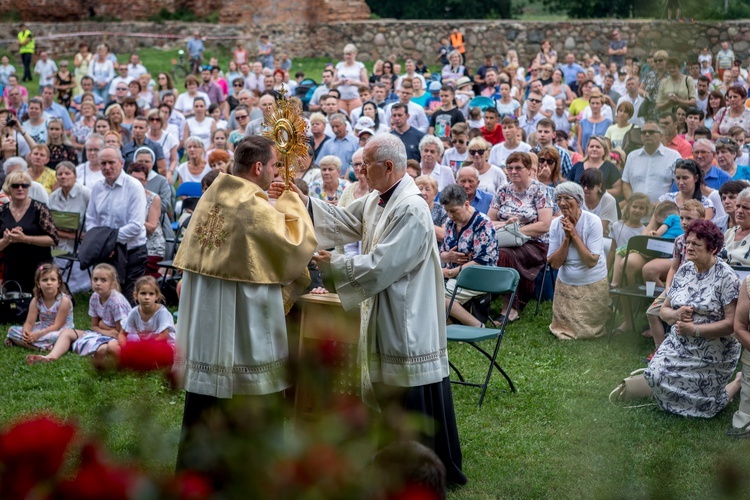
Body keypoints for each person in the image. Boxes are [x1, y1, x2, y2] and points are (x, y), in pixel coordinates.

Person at [271, 132, 466, 485]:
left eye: (366, 166)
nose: (360, 172)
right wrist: (304, 202)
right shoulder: (380, 197)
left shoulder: (410, 206)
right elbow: (345, 220)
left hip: (406, 313)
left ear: (388, 166)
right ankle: (392, 459)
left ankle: (418, 469)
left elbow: (382, 265)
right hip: (389, 305)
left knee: (408, 389)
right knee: (393, 388)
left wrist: (334, 269)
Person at [172, 135, 316, 470]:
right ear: (257, 167)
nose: (275, 172)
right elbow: (296, 245)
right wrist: (292, 202)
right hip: (242, 328)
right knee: (247, 388)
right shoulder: (253, 207)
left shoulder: (212, 196)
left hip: (207, 330)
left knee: (206, 401)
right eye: (274, 165)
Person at [645, 219, 742, 418]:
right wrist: (675, 315)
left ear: (713, 249)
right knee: (654, 376)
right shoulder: (684, 270)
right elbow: (663, 310)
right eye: (687, 242)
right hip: (679, 343)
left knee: (705, 406)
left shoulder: (726, 277)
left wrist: (695, 330)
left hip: (715, 349)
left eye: (696, 244)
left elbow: (731, 325)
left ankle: (735, 385)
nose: (688, 247)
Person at [488, 152, 553, 322]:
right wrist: (506, 226)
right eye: (510, 168)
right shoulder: (503, 190)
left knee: (504, 254)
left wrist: (516, 230)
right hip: (504, 238)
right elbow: (489, 221)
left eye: (518, 168)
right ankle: (479, 302)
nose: (513, 171)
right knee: (488, 251)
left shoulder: (541, 191)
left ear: (529, 169)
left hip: (534, 243)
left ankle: (510, 308)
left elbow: (545, 225)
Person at [26, 263, 130, 365]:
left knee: (103, 349)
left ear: (112, 284)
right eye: (95, 279)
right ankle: (50, 357)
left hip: (120, 337)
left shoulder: (117, 302)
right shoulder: (94, 297)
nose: (98, 283)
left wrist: (102, 325)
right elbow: (94, 326)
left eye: (103, 280)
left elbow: (121, 333)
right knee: (67, 333)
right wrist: (103, 327)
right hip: (102, 333)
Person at [546, 182, 608, 339]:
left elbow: (591, 261)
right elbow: (554, 263)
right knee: (564, 329)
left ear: (579, 201)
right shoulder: (555, 224)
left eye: (567, 198)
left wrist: (574, 234)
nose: (562, 203)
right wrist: (566, 239)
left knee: (589, 330)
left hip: (591, 283)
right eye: (558, 198)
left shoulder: (592, 221)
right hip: (566, 283)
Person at [85, 146, 147, 302]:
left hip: (131, 252)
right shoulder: (97, 187)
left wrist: (108, 242)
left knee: (127, 301)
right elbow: (91, 219)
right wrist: (103, 244)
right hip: (105, 252)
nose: (107, 167)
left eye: (111, 162)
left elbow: (135, 226)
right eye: (103, 163)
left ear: (121, 162)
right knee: (105, 300)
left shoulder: (134, 187)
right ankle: (104, 327)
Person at [440, 183, 498, 327]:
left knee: (436, 295)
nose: (450, 215)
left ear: (466, 204)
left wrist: (449, 272)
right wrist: (447, 256)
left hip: (479, 277)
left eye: (454, 211)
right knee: (422, 288)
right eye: (447, 211)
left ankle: (476, 326)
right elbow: (443, 252)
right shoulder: (450, 222)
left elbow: (481, 261)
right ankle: (449, 325)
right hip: (453, 275)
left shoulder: (482, 223)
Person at [0, 169, 58, 293]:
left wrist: (25, 239)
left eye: (24, 185)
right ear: (8, 188)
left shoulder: (39, 209)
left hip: (38, 265)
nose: (20, 188)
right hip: (12, 267)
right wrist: (6, 240)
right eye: (15, 185)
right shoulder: (2, 211)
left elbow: (53, 239)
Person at [5, 263, 73, 351]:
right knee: (11, 330)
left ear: (58, 283)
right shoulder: (36, 300)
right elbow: (29, 322)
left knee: (58, 336)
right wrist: (26, 333)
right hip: (42, 328)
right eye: (45, 280)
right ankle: (41, 346)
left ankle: (30, 345)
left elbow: (57, 326)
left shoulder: (64, 301)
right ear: (38, 284)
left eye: (53, 280)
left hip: (59, 331)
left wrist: (38, 335)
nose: (49, 283)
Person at [49, 161, 91, 293]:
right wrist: (71, 235)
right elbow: (49, 225)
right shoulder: (53, 196)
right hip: (60, 241)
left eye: (67, 173)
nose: (63, 176)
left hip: (82, 242)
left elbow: (94, 219)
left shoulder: (85, 193)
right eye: (60, 174)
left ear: (75, 176)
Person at [621, 119, 683, 205]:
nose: (647, 135)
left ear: (661, 136)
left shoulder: (674, 156)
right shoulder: (632, 156)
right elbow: (626, 184)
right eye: (644, 132)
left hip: (663, 211)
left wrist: (661, 205)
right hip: (636, 212)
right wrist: (633, 204)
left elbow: (678, 185)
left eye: (651, 132)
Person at [127, 162, 165, 279]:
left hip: (151, 245)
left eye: (141, 180)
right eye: (134, 179)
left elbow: (152, 228)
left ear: (146, 181)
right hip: (128, 242)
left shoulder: (153, 198)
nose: (138, 183)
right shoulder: (122, 196)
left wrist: (134, 219)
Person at [120, 275, 176, 347]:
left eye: (151, 294)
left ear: (156, 296)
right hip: (144, 345)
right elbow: (122, 334)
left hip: (162, 346)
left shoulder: (162, 312)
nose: (147, 297)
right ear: (135, 295)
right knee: (113, 346)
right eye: (143, 293)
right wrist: (124, 348)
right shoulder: (134, 312)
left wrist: (144, 345)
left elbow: (164, 336)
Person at [333, 44, 368, 114]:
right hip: (341, 98)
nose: (347, 56)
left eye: (349, 54)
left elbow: (366, 84)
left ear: (354, 54)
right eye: (345, 54)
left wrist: (353, 83)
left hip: (355, 97)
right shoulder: (339, 66)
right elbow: (332, 84)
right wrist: (339, 82)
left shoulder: (360, 66)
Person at [581, 169, 617, 236]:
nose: (585, 188)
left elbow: (599, 230)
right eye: (583, 185)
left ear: (599, 186)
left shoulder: (608, 200)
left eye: (590, 186)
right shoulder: (579, 198)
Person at [416, 175, 448, 242]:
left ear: (435, 194)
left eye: (427, 189)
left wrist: (422, 223)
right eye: (420, 189)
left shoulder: (442, 210)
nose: (423, 193)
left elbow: (444, 235)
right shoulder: (410, 208)